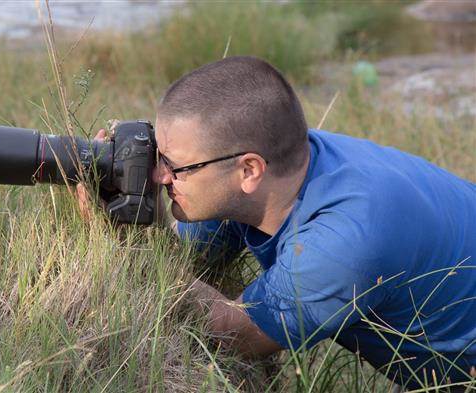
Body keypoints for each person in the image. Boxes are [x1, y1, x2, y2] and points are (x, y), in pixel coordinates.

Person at [77, 56, 476, 390]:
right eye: (159, 157)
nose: (161, 177)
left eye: (175, 166)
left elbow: (241, 334)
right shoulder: (269, 168)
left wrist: (123, 247)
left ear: (249, 169)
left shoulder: (344, 239)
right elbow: (189, 256)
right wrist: (133, 206)